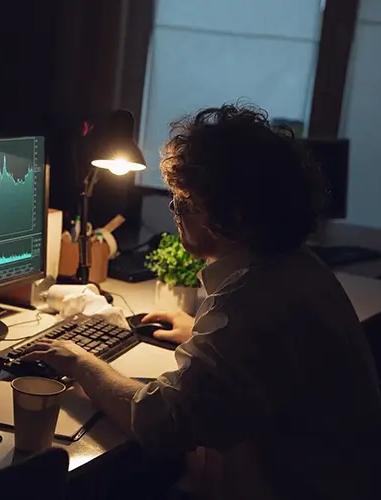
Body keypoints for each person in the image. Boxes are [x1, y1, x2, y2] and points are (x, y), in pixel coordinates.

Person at [22, 104, 381, 499]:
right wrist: (200, 333)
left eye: (186, 203)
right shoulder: (299, 267)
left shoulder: (248, 301)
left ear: (235, 215)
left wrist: (80, 361)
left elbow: (160, 424)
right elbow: (268, 358)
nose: (175, 213)